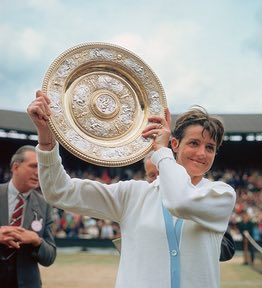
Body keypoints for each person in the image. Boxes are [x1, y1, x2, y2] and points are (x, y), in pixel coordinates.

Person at [28, 90, 236, 288]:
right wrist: (46, 140)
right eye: (194, 143)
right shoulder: (133, 194)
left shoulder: (221, 194)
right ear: (175, 144)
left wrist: (161, 152)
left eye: (210, 147)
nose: (202, 153)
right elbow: (59, 190)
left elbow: (180, 201)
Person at [114, 152, 236, 262]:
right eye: (152, 175)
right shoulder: (141, 200)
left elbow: (227, 248)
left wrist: (184, 242)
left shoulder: (198, 196)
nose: (158, 178)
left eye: (162, 173)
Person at [0, 145, 56, 288]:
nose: (38, 173)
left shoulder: (45, 205)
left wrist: (36, 240)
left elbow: (50, 257)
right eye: (33, 166)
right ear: (15, 167)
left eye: (41, 168)